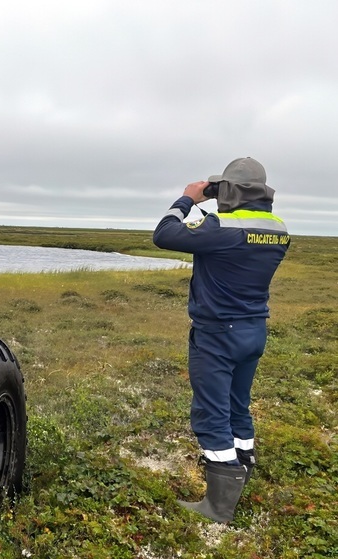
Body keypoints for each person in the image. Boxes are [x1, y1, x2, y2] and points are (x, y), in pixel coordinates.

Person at [152, 157, 289, 523]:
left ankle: (218, 507)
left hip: (216, 335)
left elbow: (164, 234)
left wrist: (187, 199)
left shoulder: (220, 226)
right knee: (237, 406)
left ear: (228, 191)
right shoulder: (278, 228)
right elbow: (227, 236)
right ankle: (243, 462)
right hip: (253, 329)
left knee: (211, 414)